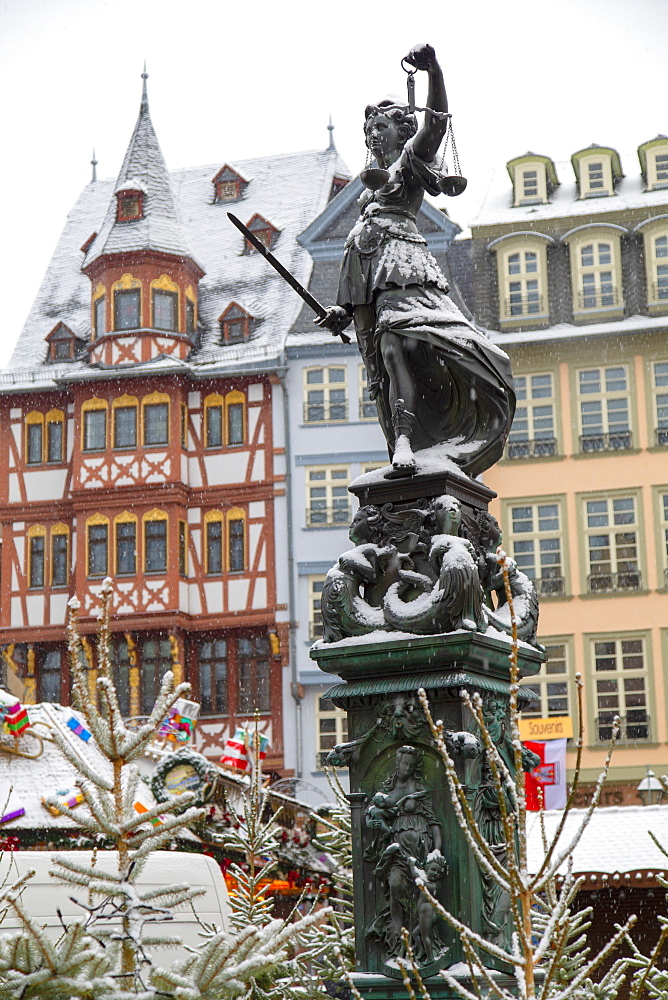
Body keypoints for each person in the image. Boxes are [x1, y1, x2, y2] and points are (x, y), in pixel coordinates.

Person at [318, 43, 515, 479]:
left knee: (398, 345)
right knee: (386, 363)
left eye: (381, 126)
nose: (373, 133)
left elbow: (437, 125)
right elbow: (360, 254)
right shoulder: (370, 186)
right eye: (369, 127)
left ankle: (408, 440)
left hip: (404, 268)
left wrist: (435, 73)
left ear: (400, 130)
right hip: (370, 275)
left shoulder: (410, 163)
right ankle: (402, 440)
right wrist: (342, 310)